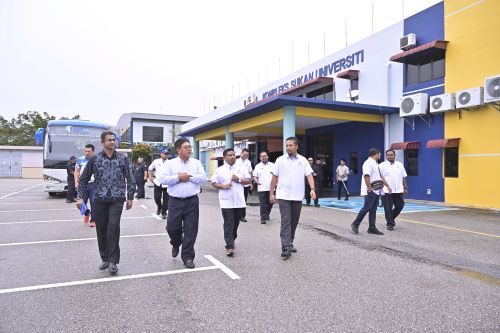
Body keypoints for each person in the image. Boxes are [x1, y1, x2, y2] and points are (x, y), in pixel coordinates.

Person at [76, 131, 135, 275]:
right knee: (101, 229)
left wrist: (130, 196)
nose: (112, 142)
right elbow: (84, 179)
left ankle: (113, 261)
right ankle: (105, 258)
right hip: (99, 199)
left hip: (117, 198)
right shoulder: (95, 159)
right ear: (102, 142)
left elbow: (130, 177)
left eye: (113, 140)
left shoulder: (123, 159)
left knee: (113, 228)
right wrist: (80, 197)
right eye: (108, 140)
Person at [157, 138, 207, 269]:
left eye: (190, 147)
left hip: (192, 201)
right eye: (186, 147)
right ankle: (176, 243)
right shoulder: (170, 164)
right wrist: (178, 178)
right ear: (178, 150)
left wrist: (189, 176)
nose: (189, 149)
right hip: (174, 201)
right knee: (172, 228)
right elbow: (162, 179)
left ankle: (188, 257)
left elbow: (203, 177)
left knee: (191, 230)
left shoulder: (196, 162)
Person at [270, 137, 316, 258]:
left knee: (294, 221)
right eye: (286, 145)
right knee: (286, 221)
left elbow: (309, 175)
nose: (288, 148)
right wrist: (271, 193)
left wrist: (312, 188)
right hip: (283, 195)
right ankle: (285, 247)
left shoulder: (303, 160)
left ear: (296, 147)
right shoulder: (280, 160)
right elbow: (274, 177)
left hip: (297, 196)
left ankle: (290, 242)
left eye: (290, 145)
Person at [211, 148, 252, 256]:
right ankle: (229, 245)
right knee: (229, 222)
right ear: (224, 157)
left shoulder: (242, 168)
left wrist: (238, 179)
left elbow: (248, 180)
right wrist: (223, 186)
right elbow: (214, 183)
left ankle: (232, 238)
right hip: (226, 201)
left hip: (239, 201)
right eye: (230, 155)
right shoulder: (219, 170)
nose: (233, 156)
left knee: (236, 222)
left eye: (234, 155)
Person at [350, 148, 392, 236]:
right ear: (376, 154)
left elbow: (381, 177)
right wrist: (369, 189)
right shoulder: (368, 163)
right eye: (379, 154)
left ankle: (372, 227)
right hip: (371, 190)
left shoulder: (376, 164)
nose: (380, 156)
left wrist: (387, 186)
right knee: (367, 207)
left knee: (373, 209)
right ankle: (355, 224)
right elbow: (366, 176)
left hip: (377, 190)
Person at [379, 149, 408, 231]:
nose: (390, 156)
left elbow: (403, 176)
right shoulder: (381, 165)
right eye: (388, 155)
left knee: (400, 205)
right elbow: (380, 177)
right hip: (387, 190)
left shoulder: (400, 164)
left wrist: (405, 187)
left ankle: (390, 218)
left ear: (394, 155)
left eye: (391, 154)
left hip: (398, 189)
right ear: (386, 156)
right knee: (388, 207)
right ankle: (390, 224)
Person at [75, 144, 96, 227]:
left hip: (93, 184)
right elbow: (77, 171)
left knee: (93, 202)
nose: (87, 153)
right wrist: (76, 182)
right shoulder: (80, 160)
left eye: (89, 151)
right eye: (86, 151)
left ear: (93, 152)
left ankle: (93, 220)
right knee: (80, 203)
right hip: (82, 184)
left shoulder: (96, 160)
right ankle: (87, 212)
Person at [253, 151, 275, 224]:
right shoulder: (258, 166)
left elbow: (276, 175)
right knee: (262, 204)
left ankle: (267, 214)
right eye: (262, 156)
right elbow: (255, 176)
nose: (264, 157)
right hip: (261, 188)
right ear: (260, 158)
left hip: (271, 188)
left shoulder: (272, 165)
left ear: (267, 156)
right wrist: (256, 181)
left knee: (270, 203)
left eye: (265, 156)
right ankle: (263, 218)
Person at [149, 149, 169, 219]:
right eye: (164, 153)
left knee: (166, 199)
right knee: (157, 197)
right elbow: (150, 168)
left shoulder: (170, 162)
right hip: (158, 182)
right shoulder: (156, 161)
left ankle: (164, 212)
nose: (166, 155)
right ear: (161, 154)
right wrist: (150, 177)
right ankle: (159, 207)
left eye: (167, 154)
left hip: (167, 183)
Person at [236, 148, 253, 222]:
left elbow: (250, 173)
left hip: (245, 184)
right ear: (241, 153)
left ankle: (242, 216)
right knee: (237, 199)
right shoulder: (236, 161)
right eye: (244, 154)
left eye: (247, 155)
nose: (245, 156)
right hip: (237, 184)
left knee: (244, 200)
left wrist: (251, 183)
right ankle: (237, 215)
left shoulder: (248, 162)